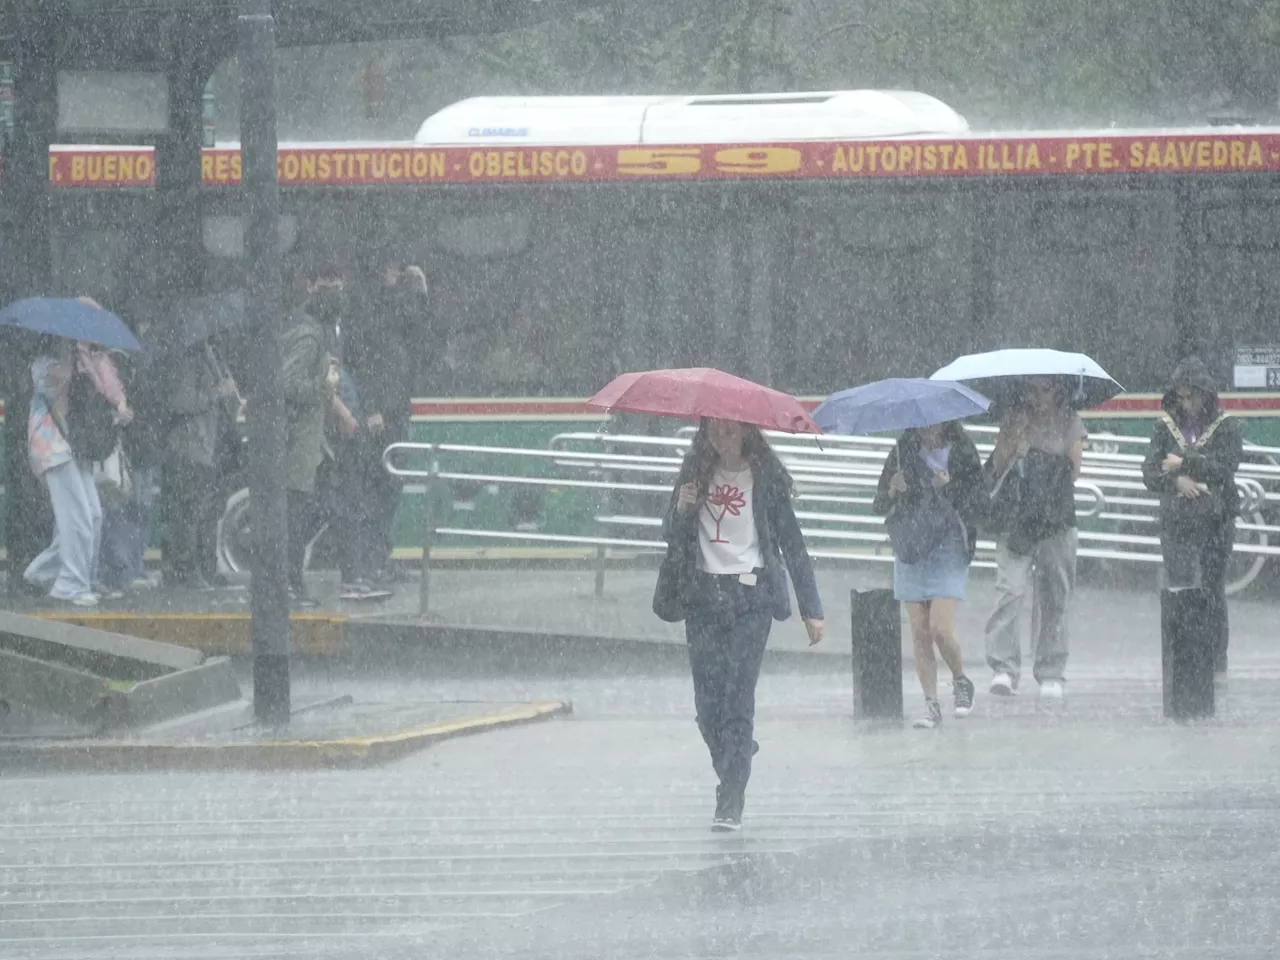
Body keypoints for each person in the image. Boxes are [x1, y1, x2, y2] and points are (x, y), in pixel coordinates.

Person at [658, 418, 825, 832]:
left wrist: (811, 607)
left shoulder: (765, 477)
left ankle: (731, 796)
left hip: (752, 597)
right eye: (714, 431)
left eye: (730, 430)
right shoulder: (694, 470)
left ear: (746, 431)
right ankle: (736, 755)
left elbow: (792, 542)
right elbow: (670, 533)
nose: (721, 438)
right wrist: (681, 509)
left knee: (737, 698)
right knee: (707, 708)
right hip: (702, 597)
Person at [873, 420, 986, 728]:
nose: (926, 429)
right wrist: (893, 491)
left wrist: (947, 488)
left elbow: (978, 501)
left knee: (940, 628)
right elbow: (880, 503)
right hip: (912, 545)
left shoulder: (962, 450)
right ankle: (930, 704)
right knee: (920, 632)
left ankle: (961, 681)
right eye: (921, 424)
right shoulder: (903, 450)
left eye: (932, 424)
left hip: (948, 546)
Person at [983, 376, 1086, 700]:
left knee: (1055, 594)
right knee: (1009, 592)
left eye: (1044, 389)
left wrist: (1041, 455)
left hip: (1056, 519)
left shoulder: (1070, 419)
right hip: (1017, 519)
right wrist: (1014, 448)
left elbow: (1074, 469)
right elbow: (997, 467)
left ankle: (1051, 670)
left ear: (1058, 390)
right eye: (1030, 389)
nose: (1037, 396)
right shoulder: (1014, 418)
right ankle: (1004, 668)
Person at [1141, 357, 1242, 678]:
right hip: (1178, 520)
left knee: (1213, 590)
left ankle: (1216, 660)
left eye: (1193, 396)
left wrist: (1182, 462)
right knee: (1180, 588)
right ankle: (1182, 658)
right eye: (1181, 397)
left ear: (1205, 393)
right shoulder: (1164, 426)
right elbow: (1149, 472)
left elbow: (1226, 468)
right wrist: (1176, 481)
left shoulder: (1227, 426)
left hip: (1217, 519)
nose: (1187, 403)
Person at [22, 338, 123, 606]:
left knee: (92, 515)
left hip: (76, 445)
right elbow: (52, 393)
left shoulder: (83, 364)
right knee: (76, 517)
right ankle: (70, 584)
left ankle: (47, 572)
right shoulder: (47, 365)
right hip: (53, 444)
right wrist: (74, 371)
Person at [346, 261, 428, 586]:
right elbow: (367, 366)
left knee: (389, 488)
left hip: (395, 411)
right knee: (378, 489)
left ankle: (377, 555)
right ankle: (370, 558)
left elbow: (421, 333)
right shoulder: (378, 317)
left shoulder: (396, 325)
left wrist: (419, 293)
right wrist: (374, 407)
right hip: (383, 415)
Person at [281, 267, 339, 608]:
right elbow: (288, 383)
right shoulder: (310, 337)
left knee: (303, 513)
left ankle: (290, 581)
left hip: (308, 443)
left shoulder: (310, 333)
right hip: (298, 444)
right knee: (298, 515)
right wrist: (321, 388)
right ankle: (289, 583)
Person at [158, 340, 237, 589]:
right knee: (188, 512)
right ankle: (185, 569)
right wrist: (216, 393)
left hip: (210, 448)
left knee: (208, 512)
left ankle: (206, 567)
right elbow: (181, 401)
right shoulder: (186, 360)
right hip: (189, 447)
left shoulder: (214, 357)